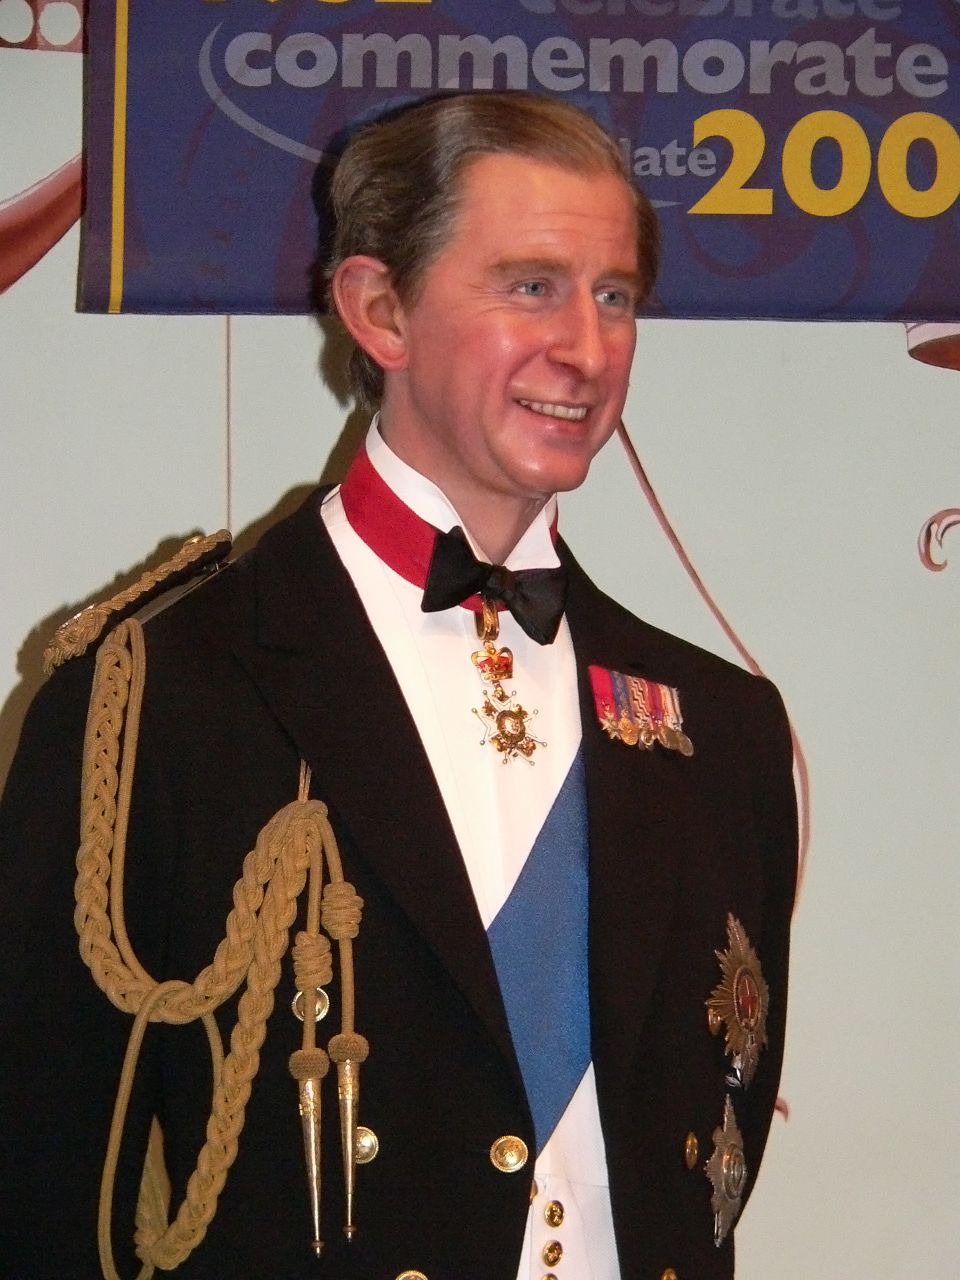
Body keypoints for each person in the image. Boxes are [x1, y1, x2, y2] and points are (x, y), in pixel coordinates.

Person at [0, 92, 797, 1280]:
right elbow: (43, 1188)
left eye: (615, 295)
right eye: (531, 286)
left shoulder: (723, 729)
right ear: (379, 309)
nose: (586, 349)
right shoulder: (161, 698)